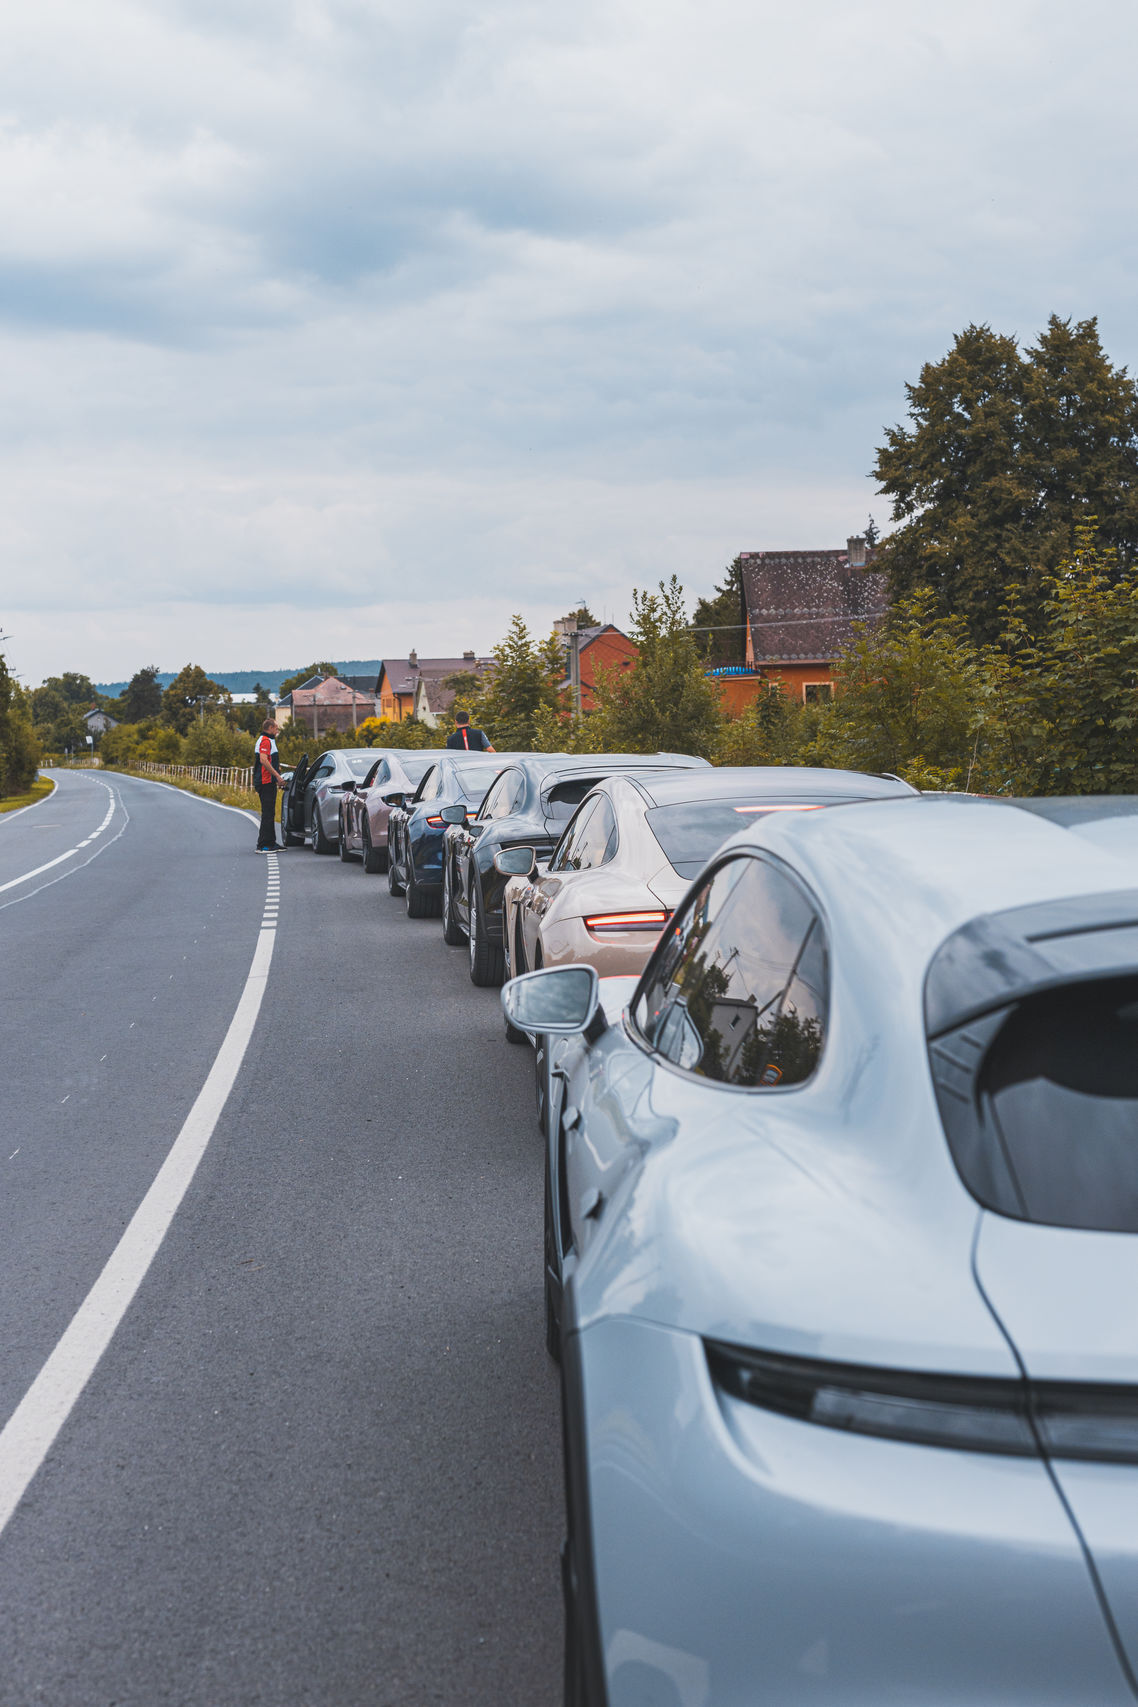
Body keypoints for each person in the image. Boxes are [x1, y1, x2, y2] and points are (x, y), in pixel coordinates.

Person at [253, 716, 287, 851]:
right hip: (265, 781)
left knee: (270, 812)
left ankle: (270, 842)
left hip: (268, 781)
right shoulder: (265, 741)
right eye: (276, 728)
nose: (277, 731)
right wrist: (278, 776)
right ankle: (263, 845)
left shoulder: (268, 740)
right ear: (270, 728)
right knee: (267, 813)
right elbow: (263, 760)